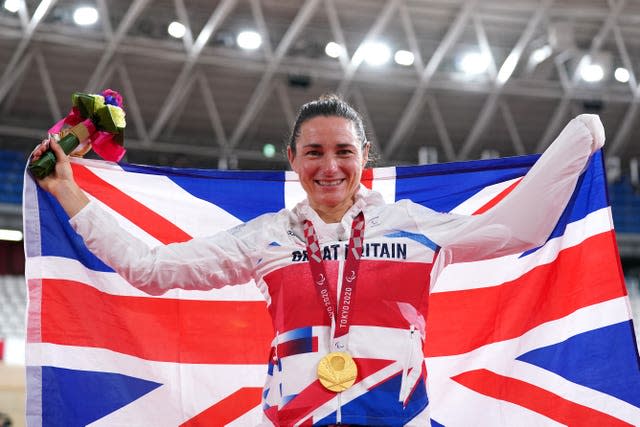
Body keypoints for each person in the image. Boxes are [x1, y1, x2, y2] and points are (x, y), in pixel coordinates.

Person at [31, 94, 605, 426]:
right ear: (293, 158)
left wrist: (578, 139)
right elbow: (152, 269)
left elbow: (519, 229)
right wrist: (66, 190)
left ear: (365, 157)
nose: (329, 167)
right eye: (314, 152)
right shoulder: (266, 238)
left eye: (343, 152)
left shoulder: (414, 227)